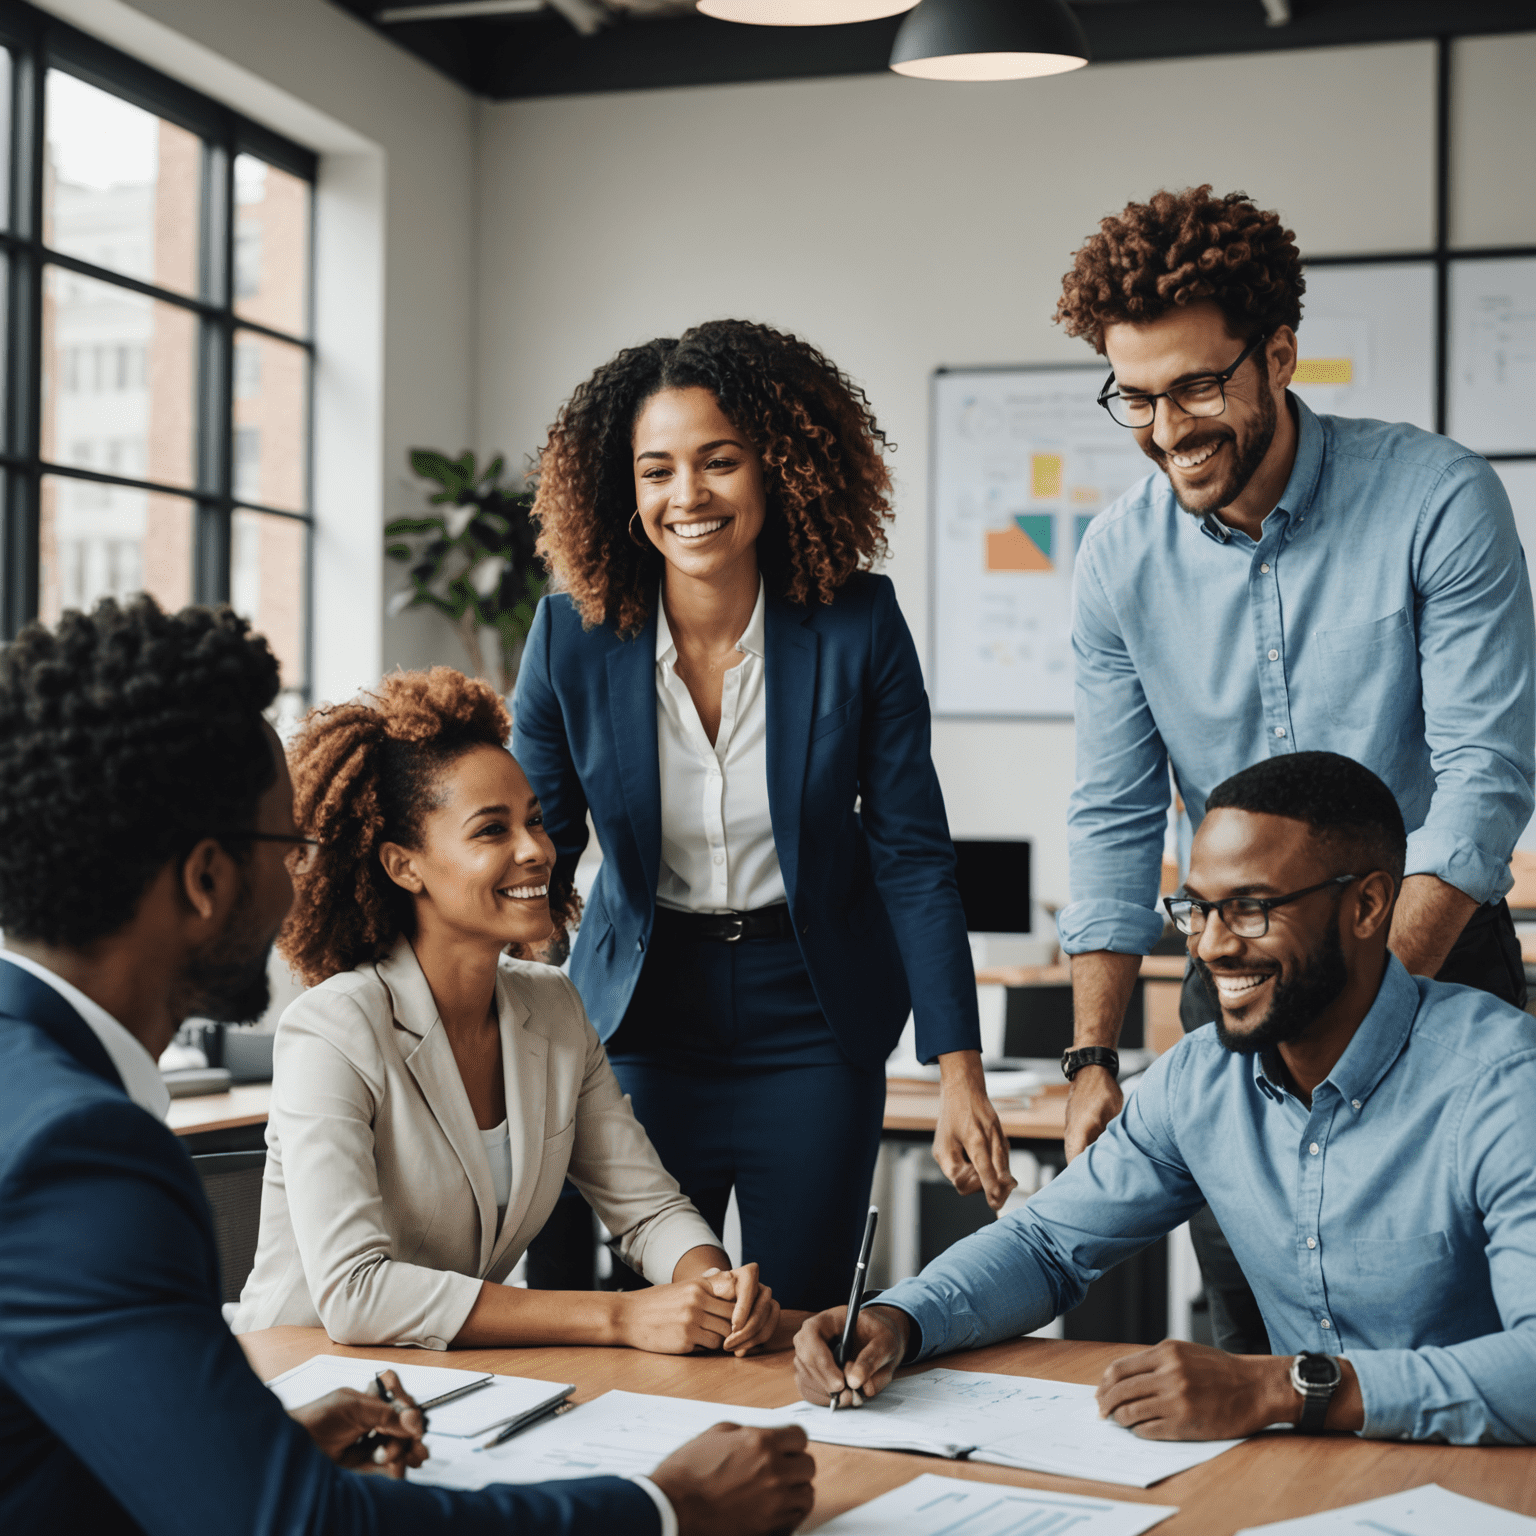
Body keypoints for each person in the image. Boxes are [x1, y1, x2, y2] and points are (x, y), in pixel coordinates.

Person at [0, 597, 815, 1536]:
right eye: (289, 847)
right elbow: (301, 1525)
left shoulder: (48, 1098)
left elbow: (70, 1448)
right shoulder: (81, 1152)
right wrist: (669, 1508)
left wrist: (266, 1447)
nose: (298, 878)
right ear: (206, 878)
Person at [1051, 185, 1535, 1352]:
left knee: (1465, 1340)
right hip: (1231, 981)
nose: (1168, 430)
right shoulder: (1118, 560)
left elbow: (1483, 780)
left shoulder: (1435, 499)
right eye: (1137, 398)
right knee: (1262, 1345)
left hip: (1432, 951)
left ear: (1279, 355)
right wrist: (1093, 1057)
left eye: (1199, 388)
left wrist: (1372, 1017)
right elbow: (1115, 816)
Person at [796, 751, 1536, 1446]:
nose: (1211, 946)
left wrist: (1293, 1388)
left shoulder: (1502, 1084)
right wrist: (901, 1318)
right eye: (1196, 911)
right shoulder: (1201, 1076)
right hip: (1305, 1479)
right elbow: (1047, 1244)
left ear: (1369, 906)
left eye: (1250, 908)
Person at [513, 318, 1014, 1311]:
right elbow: (537, 858)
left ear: (778, 468)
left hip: (813, 1019)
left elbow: (912, 856)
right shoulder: (569, 638)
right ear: (626, 491)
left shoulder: (857, 622)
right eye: (657, 470)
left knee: (803, 1314)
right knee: (669, 1314)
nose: (687, 496)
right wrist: (490, 1035)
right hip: (645, 1016)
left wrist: (960, 1072)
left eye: (719, 462)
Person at [234, 667, 779, 1357]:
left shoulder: (551, 1005)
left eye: (535, 820)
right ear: (404, 866)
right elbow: (357, 1293)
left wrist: (713, 1291)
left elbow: (648, 1208)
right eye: (492, 830)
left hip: (445, 1386)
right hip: (302, 1381)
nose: (536, 851)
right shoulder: (334, 1028)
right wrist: (619, 1317)